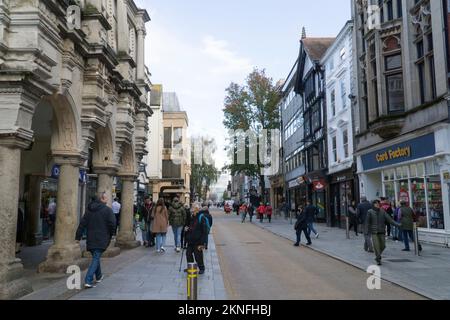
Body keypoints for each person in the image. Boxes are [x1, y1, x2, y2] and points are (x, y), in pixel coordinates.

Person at [75, 192, 116, 289]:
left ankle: (99, 276)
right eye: (106, 197)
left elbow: (82, 224)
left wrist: (78, 237)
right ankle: (88, 280)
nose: (107, 199)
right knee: (96, 257)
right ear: (101, 199)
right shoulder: (107, 210)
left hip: (91, 237)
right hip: (102, 237)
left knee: (95, 256)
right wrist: (111, 234)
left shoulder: (89, 210)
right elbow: (112, 224)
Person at [364, 199, 401, 265]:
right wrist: (366, 231)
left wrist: (398, 225)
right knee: (376, 246)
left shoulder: (382, 211)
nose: (377, 204)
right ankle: (378, 258)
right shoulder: (370, 211)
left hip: (382, 231)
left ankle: (378, 255)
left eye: (378, 203)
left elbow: (390, 220)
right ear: (373, 204)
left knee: (383, 246)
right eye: (375, 203)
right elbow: (367, 222)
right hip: (374, 232)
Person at [184, 204, 209, 275]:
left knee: (198, 256)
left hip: (198, 241)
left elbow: (205, 231)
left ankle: (201, 268)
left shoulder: (201, 217)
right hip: (190, 240)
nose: (191, 209)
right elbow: (189, 226)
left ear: (196, 209)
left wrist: (203, 243)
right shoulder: (192, 217)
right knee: (188, 254)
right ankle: (191, 267)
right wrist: (186, 229)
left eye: (192, 207)